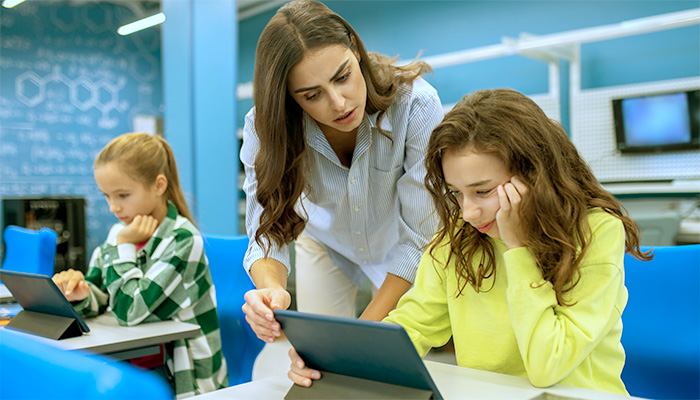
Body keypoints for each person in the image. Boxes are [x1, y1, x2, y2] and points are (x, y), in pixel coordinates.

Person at [289, 88, 652, 394]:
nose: (468, 213)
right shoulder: (457, 242)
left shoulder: (595, 232)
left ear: (536, 174)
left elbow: (547, 366)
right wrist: (334, 357)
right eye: (456, 194)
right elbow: (413, 325)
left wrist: (519, 248)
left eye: (483, 191)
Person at [241, 0, 444, 343]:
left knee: (397, 354)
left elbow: (420, 239)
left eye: (343, 77)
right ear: (290, 98)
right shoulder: (265, 128)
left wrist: (352, 339)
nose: (338, 103)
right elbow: (266, 228)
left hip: (404, 243)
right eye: (312, 95)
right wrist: (271, 289)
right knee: (320, 359)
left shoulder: (416, 105)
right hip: (326, 241)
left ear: (355, 47)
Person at [52, 132, 228, 398]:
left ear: (158, 186)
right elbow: (104, 294)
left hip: (186, 377)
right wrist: (82, 295)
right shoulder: (121, 233)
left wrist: (123, 245)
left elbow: (130, 311)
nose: (113, 207)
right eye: (107, 196)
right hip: (140, 365)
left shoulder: (182, 239)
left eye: (123, 195)